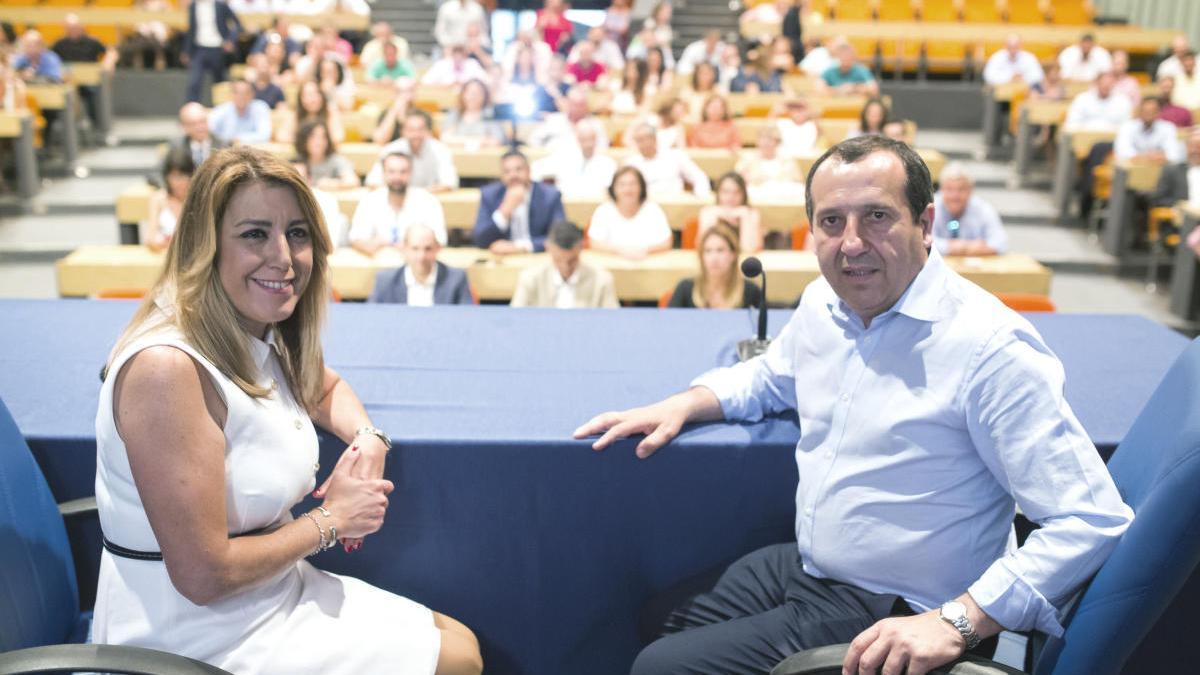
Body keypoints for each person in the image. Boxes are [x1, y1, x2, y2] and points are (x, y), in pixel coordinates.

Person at [574, 135, 1132, 674]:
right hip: (814, 566)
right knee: (656, 619)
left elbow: (1090, 519)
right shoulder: (824, 302)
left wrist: (959, 621)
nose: (852, 242)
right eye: (832, 221)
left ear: (926, 224)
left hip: (902, 605)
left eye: (878, 217)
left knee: (660, 668)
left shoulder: (989, 348)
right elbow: (772, 375)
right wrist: (688, 402)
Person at [93, 146, 483, 675]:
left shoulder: (251, 326)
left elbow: (323, 388)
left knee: (460, 642)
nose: (284, 256)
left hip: (268, 592)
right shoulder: (167, 370)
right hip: (189, 635)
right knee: (457, 661)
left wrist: (369, 438)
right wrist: (332, 518)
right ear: (204, 246)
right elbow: (203, 577)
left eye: (297, 234)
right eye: (255, 234)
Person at [350, 151, 448, 254]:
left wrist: (412, 246)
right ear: (383, 174)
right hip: (378, 262)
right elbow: (356, 238)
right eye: (391, 172)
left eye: (403, 172)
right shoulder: (369, 201)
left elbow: (440, 240)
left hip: (417, 263)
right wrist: (375, 244)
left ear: (411, 173)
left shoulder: (428, 201)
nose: (397, 177)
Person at [473, 150, 566, 254]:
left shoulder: (550, 195)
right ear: (501, 176)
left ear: (529, 171)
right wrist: (504, 211)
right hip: (501, 258)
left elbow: (559, 237)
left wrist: (520, 247)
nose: (513, 175)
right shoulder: (489, 195)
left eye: (519, 169)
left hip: (537, 256)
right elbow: (480, 239)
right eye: (507, 171)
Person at [511, 220, 619, 308]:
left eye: (572, 261)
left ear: (581, 248)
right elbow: (517, 319)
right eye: (558, 260)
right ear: (548, 248)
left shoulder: (601, 280)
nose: (565, 267)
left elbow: (612, 322)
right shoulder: (530, 278)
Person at [367, 225, 474, 306]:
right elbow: (372, 317)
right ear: (404, 249)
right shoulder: (385, 281)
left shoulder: (457, 279)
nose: (421, 256)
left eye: (428, 249)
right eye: (415, 249)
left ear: (438, 249)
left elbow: (467, 318)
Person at [668, 223, 763, 309]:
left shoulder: (751, 291)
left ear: (733, 254)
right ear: (701, 256)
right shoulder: (685, 289)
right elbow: (669, 323)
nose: (714, 258)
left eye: (720, 250)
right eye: (708, 251)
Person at [588, 166, 673, 259]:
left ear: (641, 187)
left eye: (633, 184)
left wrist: (645, 251)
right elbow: (594, 243)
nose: (627, 189)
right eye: (622, 185)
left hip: (648, 266)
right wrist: (621, 252)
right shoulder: (604, 211)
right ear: (613, 189)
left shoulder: (653, 210)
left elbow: (666, 243)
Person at [365, 111, 459, 192]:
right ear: (402, 131)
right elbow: (372, 182)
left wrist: (414, 196)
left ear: (428, 131)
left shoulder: (441, 150)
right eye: (411, 130)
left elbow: (449, 183)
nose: (415, 134)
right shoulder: (390, 149)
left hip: (429, 199)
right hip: (395, 199)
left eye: (420, 129)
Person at [931, 163, 1008, 256]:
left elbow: (1001, 243)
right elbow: (922, 242)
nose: (955, 196)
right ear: (941, 190)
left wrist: (963, 248)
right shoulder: (931, 208)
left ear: (970, 190)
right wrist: (950, 247)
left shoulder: (983, 209)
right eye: (949, 189)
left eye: (961, 189)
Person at [531, 120, 618, 197]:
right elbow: (535, 170)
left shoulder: (608, 163)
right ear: (577, 139)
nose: (588, 143)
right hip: (565, 204)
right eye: (583, 139)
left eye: (591, 139)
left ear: (596, 139)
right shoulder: (563, 158)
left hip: (595, 205)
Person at [625, 123, 712, 198]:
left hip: (676, 202)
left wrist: (699, 197)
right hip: (646, 206)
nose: (643, 144)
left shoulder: (675, 155)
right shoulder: (631, 163)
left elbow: (699, 177)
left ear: (654, 139)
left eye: (645, 139)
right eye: (639, 141)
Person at [183, 0, 242, 103]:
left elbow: (238, 24)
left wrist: (230, 40)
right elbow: (191, 29)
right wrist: (186, 51)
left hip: (217, 48)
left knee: (220, 82)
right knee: (194, 81)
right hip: (199, 49)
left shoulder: (220, 5)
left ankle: (224, 108)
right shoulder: (193, 6)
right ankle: (191, 112)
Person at [144, 145, 195, 252]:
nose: (179, 182)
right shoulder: (158, 199)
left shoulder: (199, 199)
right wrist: (162, 243)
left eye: (184, 176)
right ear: (166, 177)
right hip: (165, 259)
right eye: (174, 176)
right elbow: (150, 238)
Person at [698, 172, 764, 252]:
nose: (730, 197)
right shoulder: (708, 213)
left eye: (736, 192)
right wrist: (715, 215)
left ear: (744, 195)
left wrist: (745, 217)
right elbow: (704, 250)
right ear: (718, 193)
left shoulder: (751, 214)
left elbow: (748, 250)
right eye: (725, 192)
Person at [736, 125, 804, 200]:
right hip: (757, 196)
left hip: (784, 196)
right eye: (762, 139)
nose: (766, 143)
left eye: (770, 139)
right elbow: (738, 182)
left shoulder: (788, 160)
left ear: (777, 143)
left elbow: (798, 182)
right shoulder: (747, 159)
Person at [1113, 97, 1185, 164]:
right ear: (1140, 112)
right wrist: (1145, 158)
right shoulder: (1127, 127)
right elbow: (1122, 151)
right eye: (1145, 111)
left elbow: (1174, 154)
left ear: (1158, 113)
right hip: (1134, 169)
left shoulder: (1168, 128)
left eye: (1152, 111)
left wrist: (1160, 157)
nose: (1148, 115)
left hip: (1161, 170)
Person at [440, 78, 507, 148]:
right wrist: (477, 141)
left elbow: (497, 140)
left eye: (477, 93)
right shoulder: (455, 114)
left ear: (485, 96)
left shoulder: (491, 115)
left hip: (485, 156)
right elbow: (445, 139)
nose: (473, 96)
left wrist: (461, 141)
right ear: (463, 94)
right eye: (470, 92)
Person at [294, 120, 359, 191]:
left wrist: (333, 183)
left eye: (323, 137)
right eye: (312, 137)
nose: (319, 142)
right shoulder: (297, 161)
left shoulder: (336, 160)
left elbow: (353, 181)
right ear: (303, 140)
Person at [275, 80, 345, 144]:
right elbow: (281, 136)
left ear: (322, 96)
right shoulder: (295, 114)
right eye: (308, 95)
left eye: (316, 94)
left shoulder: (330, 112)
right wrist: (306, 142)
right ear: (301, 99)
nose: (312, 99)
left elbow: (338, 136)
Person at [208, 79, 272, 144]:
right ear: (231, 94)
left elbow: (265, 136)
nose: (241, 96)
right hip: (225, 149)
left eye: (245, 93)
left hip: (252, 150)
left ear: (252, 94)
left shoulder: (260, 107)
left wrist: (238, 139)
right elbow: (208, 129)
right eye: (237, 93)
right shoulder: (222, 110)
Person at [1064, 70, 1131, 129]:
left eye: (1109, 84)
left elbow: (1126, 126)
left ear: (1113, 84)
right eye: (1103, 83)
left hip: (1112, 140)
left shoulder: (1122, 101)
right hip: (1085, 138)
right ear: (1096, 83)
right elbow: (1072, 123)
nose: (1106, 86)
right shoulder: (1082, 99)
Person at [1152, 129, 1200, 209]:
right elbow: (1159, 199)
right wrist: (1179, 206)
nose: (1195, 151)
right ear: (1186, 147)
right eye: (1192, 146)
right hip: (1182, 217)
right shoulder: (1172, 171)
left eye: (1199, 147)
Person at [172, 102, 228, 167]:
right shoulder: (178, 147)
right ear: (185, 127)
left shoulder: (223, 146)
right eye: (194, 124)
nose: (200, 127)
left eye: (203, 121)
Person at [421, 43, 489, 88]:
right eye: (456, 54)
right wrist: (446, 86)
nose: (458, 57)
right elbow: (425, 82)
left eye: (461, 54)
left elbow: (486, 81)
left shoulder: (472, 64)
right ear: (452, 54)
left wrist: (466, 86)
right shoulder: (441, 64)